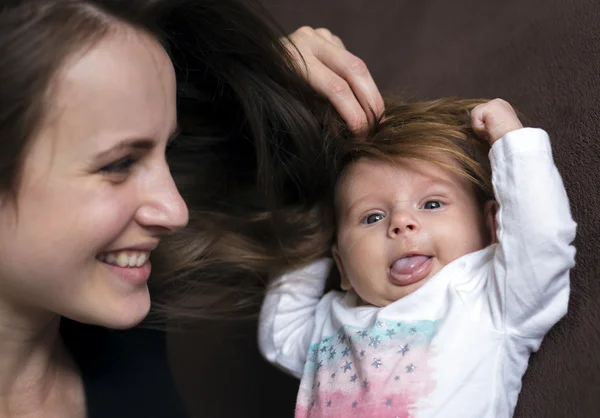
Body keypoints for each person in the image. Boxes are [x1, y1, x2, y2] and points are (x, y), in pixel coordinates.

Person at [0, 0, 384, 417]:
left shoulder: (122, 336)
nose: (175, 212)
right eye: (120, 164)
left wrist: (272, 81)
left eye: (168, 150)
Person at [259, 98, 577, 417]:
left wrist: (510, 140)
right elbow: (279, 337)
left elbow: (542, 241)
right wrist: (307, 220)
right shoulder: (331, 320)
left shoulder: (488, 294)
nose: (401, 222)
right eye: (372, 218)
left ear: (492, 226)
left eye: (432, 204)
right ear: (342, 265)